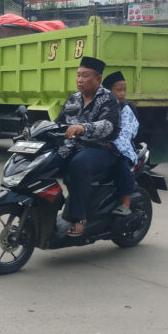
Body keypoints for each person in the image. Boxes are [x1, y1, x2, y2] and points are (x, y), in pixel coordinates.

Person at [50, 56, 122, 237]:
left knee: (78, 164)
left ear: (98, 79)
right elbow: (59, 122)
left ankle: (80, 218)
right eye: (78, 75)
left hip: (102, 148)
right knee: (46, 161)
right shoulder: (74, 98)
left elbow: (110, 126)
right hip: (73, 146)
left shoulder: (107, 98)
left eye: (85, 76)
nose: (79, 80)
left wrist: (84, 128)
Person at [102, 71, 139, 217]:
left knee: (120, 163)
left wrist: (113, 145)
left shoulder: (126, 108)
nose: (122, 94)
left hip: (122, 147)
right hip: (99, 146)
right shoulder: (100, 105)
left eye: (124, 90)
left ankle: (126, 202)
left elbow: (126, 132)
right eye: (118, 90)